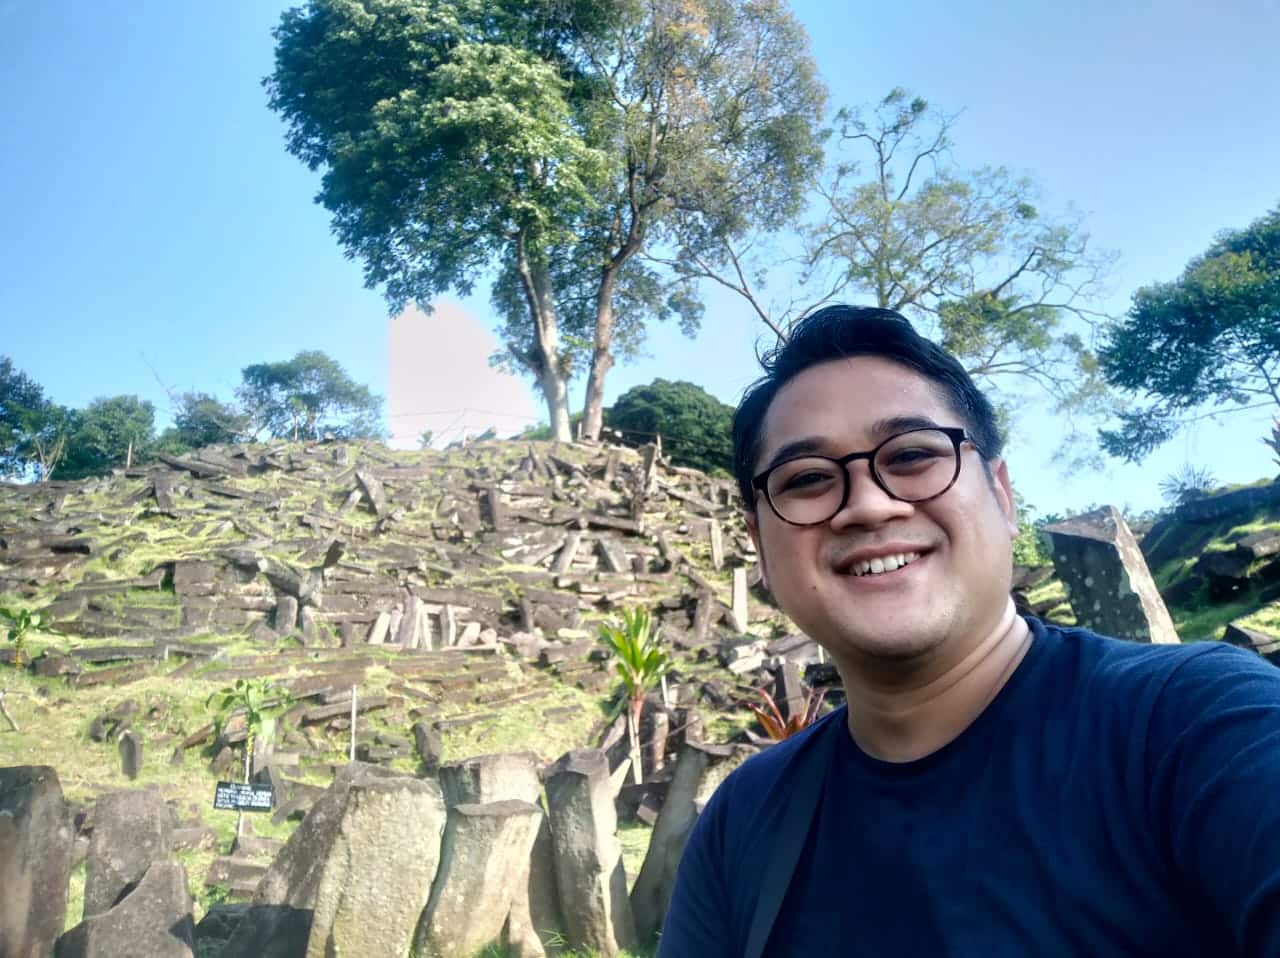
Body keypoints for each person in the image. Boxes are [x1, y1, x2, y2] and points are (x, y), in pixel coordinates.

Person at [657, 305, 1280, 957]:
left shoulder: (1202, 726)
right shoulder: (744, 821)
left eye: (913, 454)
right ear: (759, 544)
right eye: (808, 479)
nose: (869, 503)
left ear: (1002, 494)